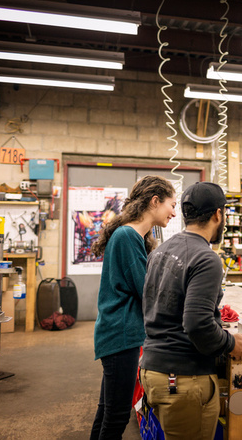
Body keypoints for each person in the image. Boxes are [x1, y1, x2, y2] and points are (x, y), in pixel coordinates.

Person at [140, 182, 242, 440]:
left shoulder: (161, 251)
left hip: (153, 371)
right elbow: (197, 324)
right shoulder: (206, 258)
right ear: (218, 215)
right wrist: (229, 342)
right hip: (183, 377)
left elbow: (151, 306)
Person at [90, 176, 177, 440]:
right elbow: (147, 291)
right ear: (154, 201)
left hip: (119, 334)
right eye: (171, 205)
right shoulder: (128, 236)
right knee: (116, 418)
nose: (174, 212)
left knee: (107, 411)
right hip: (121, 335)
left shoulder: (132, 235)